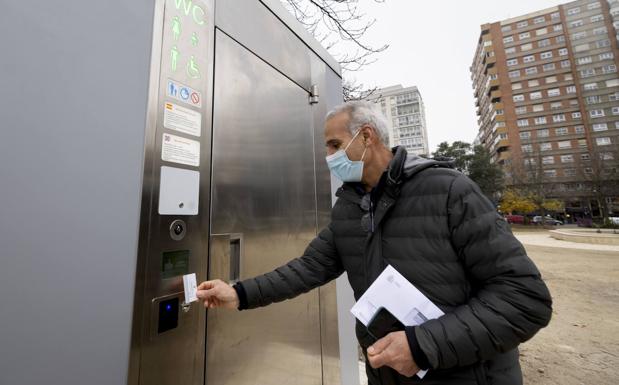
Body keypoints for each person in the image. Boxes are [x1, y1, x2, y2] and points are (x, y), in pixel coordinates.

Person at [197, 101, 552, 385]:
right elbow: (307, 268)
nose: (329, 155)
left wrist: (421, 346)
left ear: (366, 137)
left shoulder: (448, 191)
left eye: (335, 144)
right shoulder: (349, 207)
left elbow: (524, 299)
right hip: (386, 375)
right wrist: (239, 293)